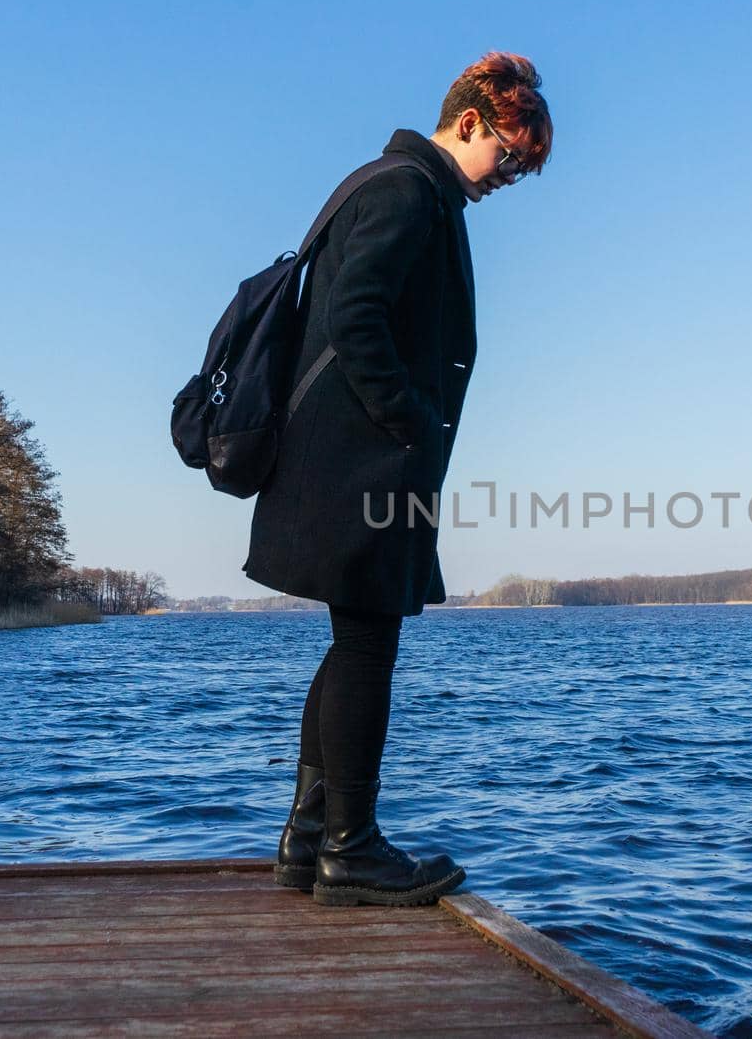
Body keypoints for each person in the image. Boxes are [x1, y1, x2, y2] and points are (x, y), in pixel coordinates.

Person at [245, 52, 553, 906]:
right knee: (368, 647)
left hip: (355, 459)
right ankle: (351, 847)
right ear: (469, 124)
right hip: (364, 461)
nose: (514, 176)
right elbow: (356, 316)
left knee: (355, 645)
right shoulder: (406, 190)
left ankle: (310, 839)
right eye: (514, 156)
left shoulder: (401, 185)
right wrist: (410, 418)